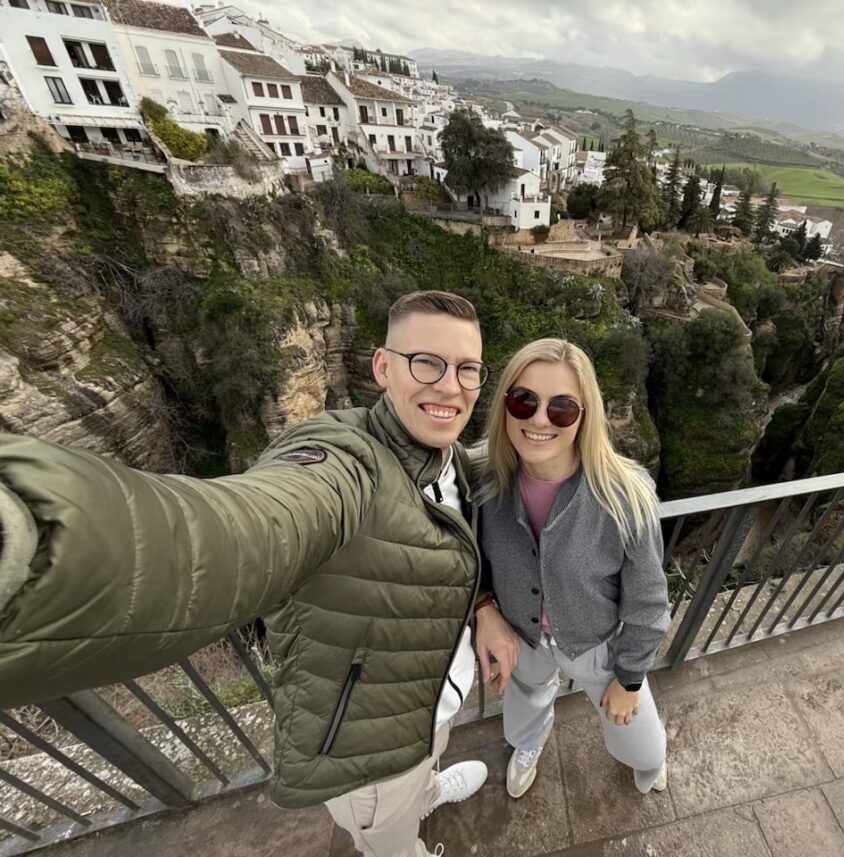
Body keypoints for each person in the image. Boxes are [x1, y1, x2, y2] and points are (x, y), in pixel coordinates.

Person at [0, 290, 521, 857]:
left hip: (426, 713)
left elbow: (463, 520)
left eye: (467, 369)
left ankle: (425, 791)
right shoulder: (344, 459)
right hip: (368, 755)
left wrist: (486, 605)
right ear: (382, 367)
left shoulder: (450, 465)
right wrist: (37, 542)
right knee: (389, 845)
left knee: (424, 764)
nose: (449, 386)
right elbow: (246, 527)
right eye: (427, 362)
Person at [475, 339, 670, 799]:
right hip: (522, 636)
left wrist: (629, 678)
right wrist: (485, 607)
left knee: (639, 738)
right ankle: (528, 746)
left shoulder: (626, 495)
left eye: (562, 408)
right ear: (505, 405)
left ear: (586, 416)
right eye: (524, 400)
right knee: (526, 704)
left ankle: (649, 758)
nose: (539, 419)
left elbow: (648, 600)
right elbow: (466, 559)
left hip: (595, 642)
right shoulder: (483, 480)